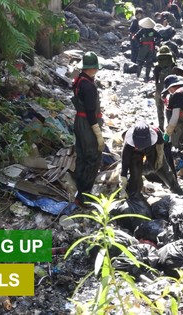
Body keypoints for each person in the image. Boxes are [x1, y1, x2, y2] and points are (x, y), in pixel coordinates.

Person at [71, 52, 104, 206]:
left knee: (82, 156)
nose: (96, 71)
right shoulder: (88, 86)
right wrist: (98, 133)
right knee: (93, 158)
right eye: (95, 69)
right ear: (91, 69)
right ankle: (84, 196)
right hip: (87, 124)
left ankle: (77, 190)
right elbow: (91, 112)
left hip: (79, 121)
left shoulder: (78, 81)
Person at [119, 121, 183, 197]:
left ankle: (178, 191)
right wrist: (122, 187)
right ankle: (134, 194)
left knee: (162, 168)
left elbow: (160, 148)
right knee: (135, 173)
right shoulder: (128, 145)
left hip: (152, 149)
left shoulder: (157, 133)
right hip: (135, 152)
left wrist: (159, 159)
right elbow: (124, 164)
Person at [153, 46, 176, 131]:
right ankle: (171, 128)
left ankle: (161, 127)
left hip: (160, 88)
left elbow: (156, 79)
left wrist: (157, 89)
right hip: (171, 89)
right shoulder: (174, 65)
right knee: (170, 109)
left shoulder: (157, 67)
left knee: (160, 109)